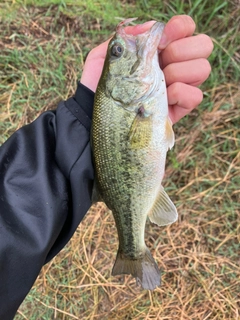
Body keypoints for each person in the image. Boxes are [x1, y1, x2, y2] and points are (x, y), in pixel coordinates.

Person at [0, 15, 213, 319]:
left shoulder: (128, 97)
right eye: (118, 54)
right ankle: (132, 250)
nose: (122, 49)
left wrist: (85, 110)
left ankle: (132, 248)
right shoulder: (130, 99)